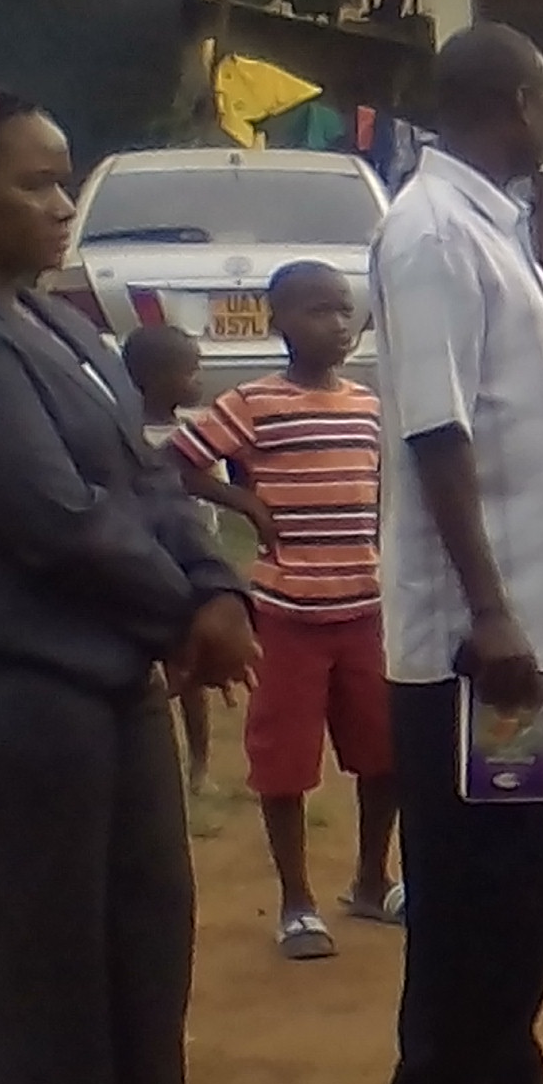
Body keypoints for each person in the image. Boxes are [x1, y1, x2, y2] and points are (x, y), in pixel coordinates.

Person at [0, 86, 258, 1084]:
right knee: (43, 997)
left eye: (63, 179)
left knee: (141, 973)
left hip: (118, 695)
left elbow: (147, 478)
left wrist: (212, 583)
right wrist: (183, 610)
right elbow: (52, 518)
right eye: (32, 182)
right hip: (27, 706)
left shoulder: (65, 331)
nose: (57, 205)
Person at [373, 22, 543, 1084]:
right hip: (481, 638)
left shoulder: (491, 223)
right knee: (473, 875)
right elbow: (436, 427)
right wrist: (490, 613)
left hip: (540, 621)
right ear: (518, 99)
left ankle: (505, 1065)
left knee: (526, 859)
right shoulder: (427, 236)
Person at [171, 261, 399, 960]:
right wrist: (244, 503)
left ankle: (371, 879)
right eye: (316, 311)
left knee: (382, 753)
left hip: (365, 607)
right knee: (285, 762)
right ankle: (297, 901)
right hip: (287, 614)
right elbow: (180, 461)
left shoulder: (366, 406)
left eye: (343, 310)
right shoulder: (252, 403)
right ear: (279, 323)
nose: (336, 324)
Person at [122, 323, 216, 790]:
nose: (198, 381)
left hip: (185, 570)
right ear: (155, 377)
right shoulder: (124, 433)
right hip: (144, 565)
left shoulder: (196, 432)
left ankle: (199, 764)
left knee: (190, 671)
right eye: (190, 371)